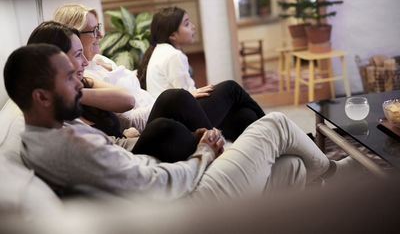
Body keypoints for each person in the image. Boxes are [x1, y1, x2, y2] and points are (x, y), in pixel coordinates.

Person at [4, 44, 356, 200]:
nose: (80, 80)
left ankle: (314, 184)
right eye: (69, 77)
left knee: (292, 167)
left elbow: (111, 152)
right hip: (186, 198)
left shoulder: (46, 134)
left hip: (170, 178)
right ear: (41, 96)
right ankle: (336, 176)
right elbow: (157, 186)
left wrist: (126, 139)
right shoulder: (69, 146)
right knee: (276, 123)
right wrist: (203, 153)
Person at [53, 3, 266, 141]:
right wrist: (181, 99)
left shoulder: (99, 60)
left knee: (243, 116)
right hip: (156, 119)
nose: (100, 35)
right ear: (72, 35)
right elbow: (127, 120)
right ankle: (281, 132)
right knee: (229, 88)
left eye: (99, 27)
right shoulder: (83, 77)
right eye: (93, 30)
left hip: (162, 107)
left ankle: (273, 144)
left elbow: (136, 87)